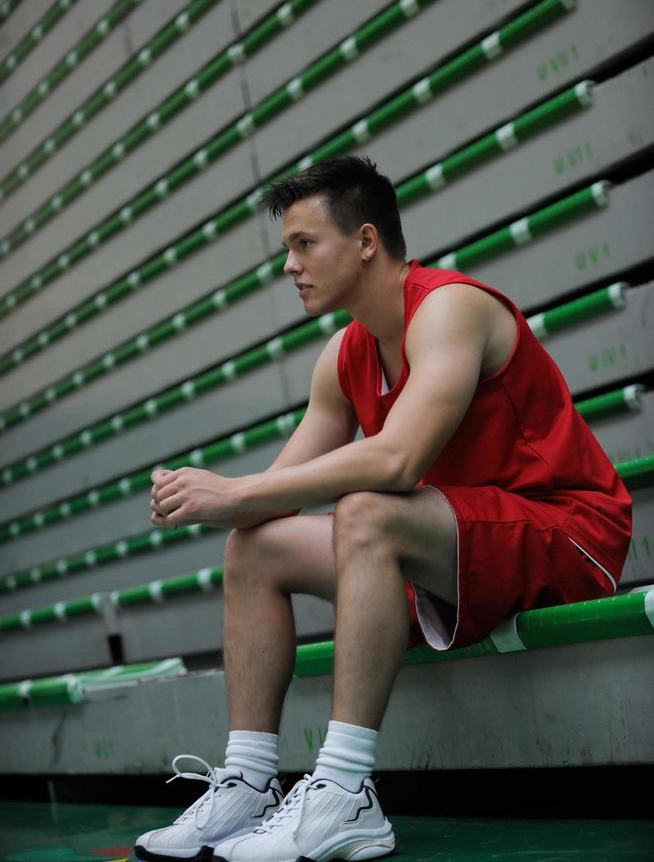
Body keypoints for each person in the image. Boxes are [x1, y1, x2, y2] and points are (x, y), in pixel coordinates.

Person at [135, 156, 631, 862]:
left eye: (305, 244)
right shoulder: (343, 355)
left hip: (565, 535)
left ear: (366, 241)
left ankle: (344, 793)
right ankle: (247, 782)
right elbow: (280, 493)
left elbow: (397, 459)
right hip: (457, 547)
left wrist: (238, 490)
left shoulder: (451, 308)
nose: (290, 266)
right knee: (256, 547)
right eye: (287, 250)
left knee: (365, 510)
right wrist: (204, 495)